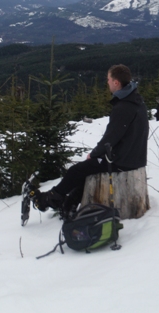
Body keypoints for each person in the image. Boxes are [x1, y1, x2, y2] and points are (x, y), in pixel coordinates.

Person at [31, 64, 149, 212]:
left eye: (108, 79)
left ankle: (49, 200)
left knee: (76, 170)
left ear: (116, 82)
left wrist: (94, 154)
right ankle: (69, 203)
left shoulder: (124, 107)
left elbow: (110, 137)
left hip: (123, 160)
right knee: (86, 170)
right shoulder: (136, 100)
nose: (107, 82)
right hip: (133, 155)